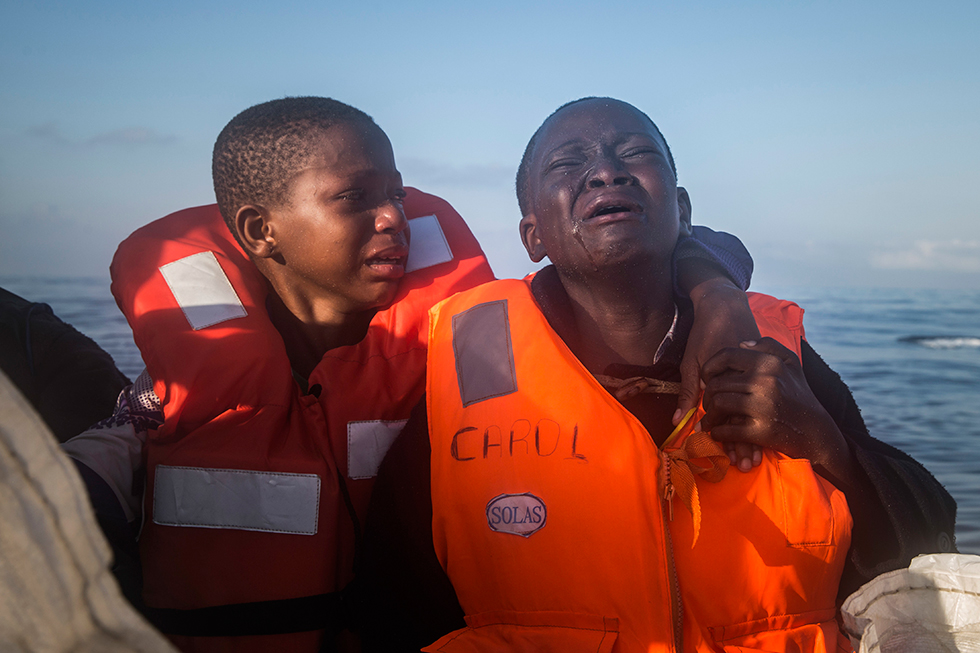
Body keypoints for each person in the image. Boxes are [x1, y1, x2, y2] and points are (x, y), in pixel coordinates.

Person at [63, 96, 759, 652]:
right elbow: (66, 497)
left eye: (396, 194)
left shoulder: (461, 349)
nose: (394, 218)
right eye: (354, 199)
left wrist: (716, 290)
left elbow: (624, 276)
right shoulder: (164, 401)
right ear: (259, 231)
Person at [360, 98, 958, 652]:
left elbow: (926, 547)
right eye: (568, 164)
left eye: (636, 155)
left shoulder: (777, 351)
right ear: (533, 235)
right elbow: (395, 599)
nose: (606, 173)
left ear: (683, 210)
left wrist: (824, 443)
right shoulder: (468, 366)